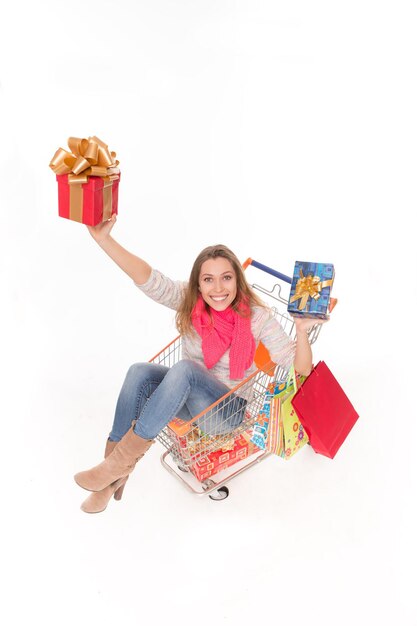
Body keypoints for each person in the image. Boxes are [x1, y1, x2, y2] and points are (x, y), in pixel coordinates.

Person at [74, 214, 323, 513]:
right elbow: (148, 278)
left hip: (228, 413)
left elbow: (299, 369)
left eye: (226, 277)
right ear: (199, 284)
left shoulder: (258, 317)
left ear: (237, 280)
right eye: (208, 279)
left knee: (187, 370)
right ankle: (110, 475)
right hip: (189, 397)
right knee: (139, 371)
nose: (218, 288)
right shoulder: (190, 301)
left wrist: (300, 330)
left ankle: (113, 468)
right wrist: (104, 239)